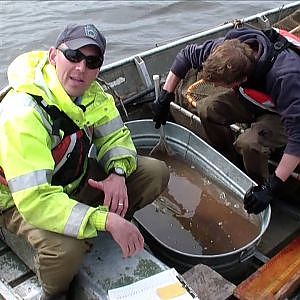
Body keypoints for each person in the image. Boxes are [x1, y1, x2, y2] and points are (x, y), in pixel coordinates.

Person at [0, 24, 169, 299]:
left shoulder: (92, 94)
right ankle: (55, 288)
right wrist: (105, 220)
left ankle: (103, 228)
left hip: (72, 181)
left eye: (92, 61)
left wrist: (116, 173)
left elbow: (117, 138)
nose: (81, 68)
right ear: (54, 55)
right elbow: (36, 200)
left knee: (154, 172)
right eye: (74, 55)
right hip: (18, 202)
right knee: (68, 249)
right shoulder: (23, 114)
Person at [152, 26, 300, 215]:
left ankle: (257, 189)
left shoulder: (287, 78)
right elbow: (185, 56)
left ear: (241, 79)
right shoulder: (224, 50)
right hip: (252, 98)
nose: (213, 87)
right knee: (206, 108)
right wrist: (166, 95)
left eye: (218, 85)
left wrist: (272, 187)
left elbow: (297, 139)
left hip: (282, 113)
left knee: (249, 143)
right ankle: (229, 163)